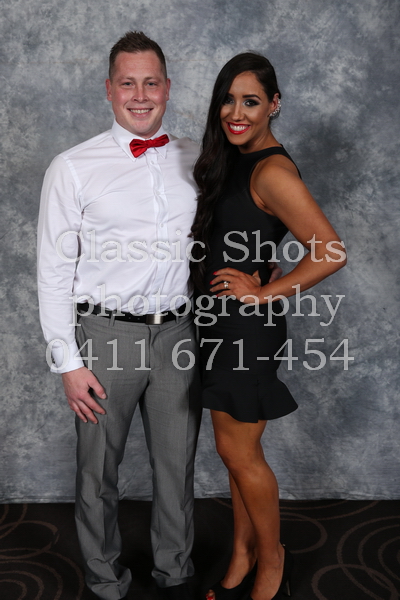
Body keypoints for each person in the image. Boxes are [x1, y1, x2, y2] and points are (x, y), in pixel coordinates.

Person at [37, 31, 202, 600]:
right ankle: (105, 582)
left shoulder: (197, 158)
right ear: (108, 90)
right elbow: (53, 272)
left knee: (177, 468)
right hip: (104, 337)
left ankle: (176, 574)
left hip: (178, 334)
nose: (140, 95)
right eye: (127, 83)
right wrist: (67, 362)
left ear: (168, 88)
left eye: (150, 83)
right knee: (97, 473)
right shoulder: (72, 167)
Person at [190, 53, 347, 600]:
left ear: (274, 105)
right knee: (232, 450)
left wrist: (263, 292)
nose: (236, 112)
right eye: (228, 100)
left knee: (240, 453)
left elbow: (330, 252)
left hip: (246, 329)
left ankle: (272, 561)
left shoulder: (272, 170)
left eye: (251, 101)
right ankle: (242, 554)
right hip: (218, 324)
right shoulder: (236, 158)